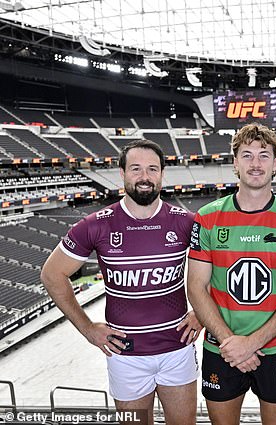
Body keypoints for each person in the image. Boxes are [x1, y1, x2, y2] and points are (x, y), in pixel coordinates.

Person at [41, 140, 201, 425]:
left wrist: (202, 314)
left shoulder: (186, 221)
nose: (144, 177)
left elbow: (221, 267)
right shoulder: (96, 224)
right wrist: (87, 328)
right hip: (126, 355)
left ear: (162, 174)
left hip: (177, 349)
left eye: (152, 169)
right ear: (122, 173)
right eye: (136, 168)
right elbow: (52, 275)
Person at [187, 123, 276, 425]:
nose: (255, 164)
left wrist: (252, 343)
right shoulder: (207, 217)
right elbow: (196, 287)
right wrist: (231, 342)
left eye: (263, 155)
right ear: (234, 163)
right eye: (247, 155)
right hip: (222, 348)